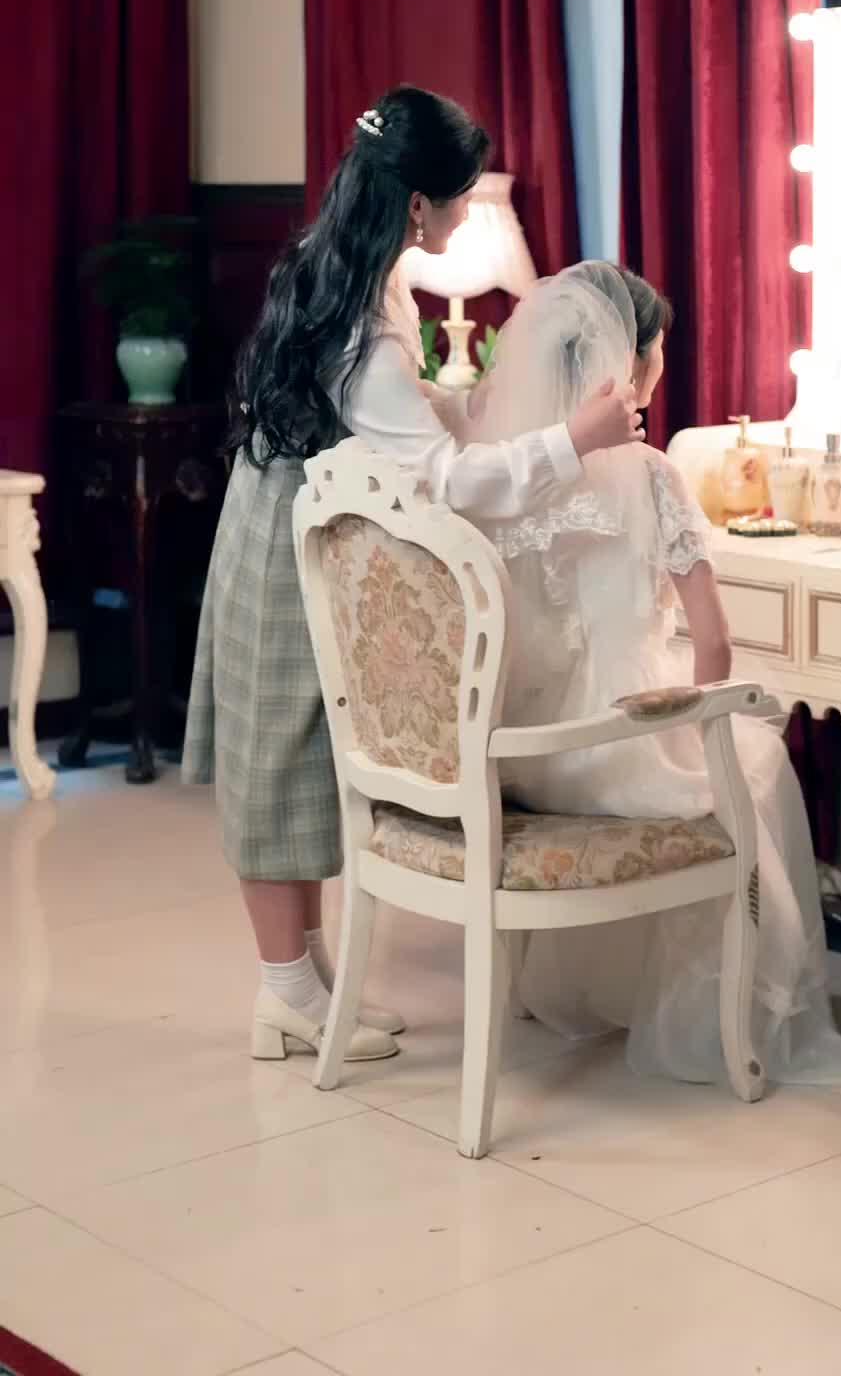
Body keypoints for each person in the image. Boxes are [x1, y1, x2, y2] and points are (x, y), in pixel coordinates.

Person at [182, 93, 644, 1067]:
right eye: (462, 197)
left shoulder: (355, 273)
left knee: (302, 758)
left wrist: (465, 402)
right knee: (276, 762)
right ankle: (284, 989)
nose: (469, 214)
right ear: (419, 204)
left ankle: (305, 981)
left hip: (291, 516)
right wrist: (573, 440)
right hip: (288, 538)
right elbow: (447, 482)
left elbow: (394, 412)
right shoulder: (366, 321)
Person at [457, 261, 841, 1090]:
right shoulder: (651, 475)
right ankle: (715, 1014)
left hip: (517, 754)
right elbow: (713, 643)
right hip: (612, 750)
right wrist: (701, 718)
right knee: (753, 755)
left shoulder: (500, 474)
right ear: (630, 360)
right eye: (655, 350)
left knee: (717, 742)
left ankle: (588, 982)